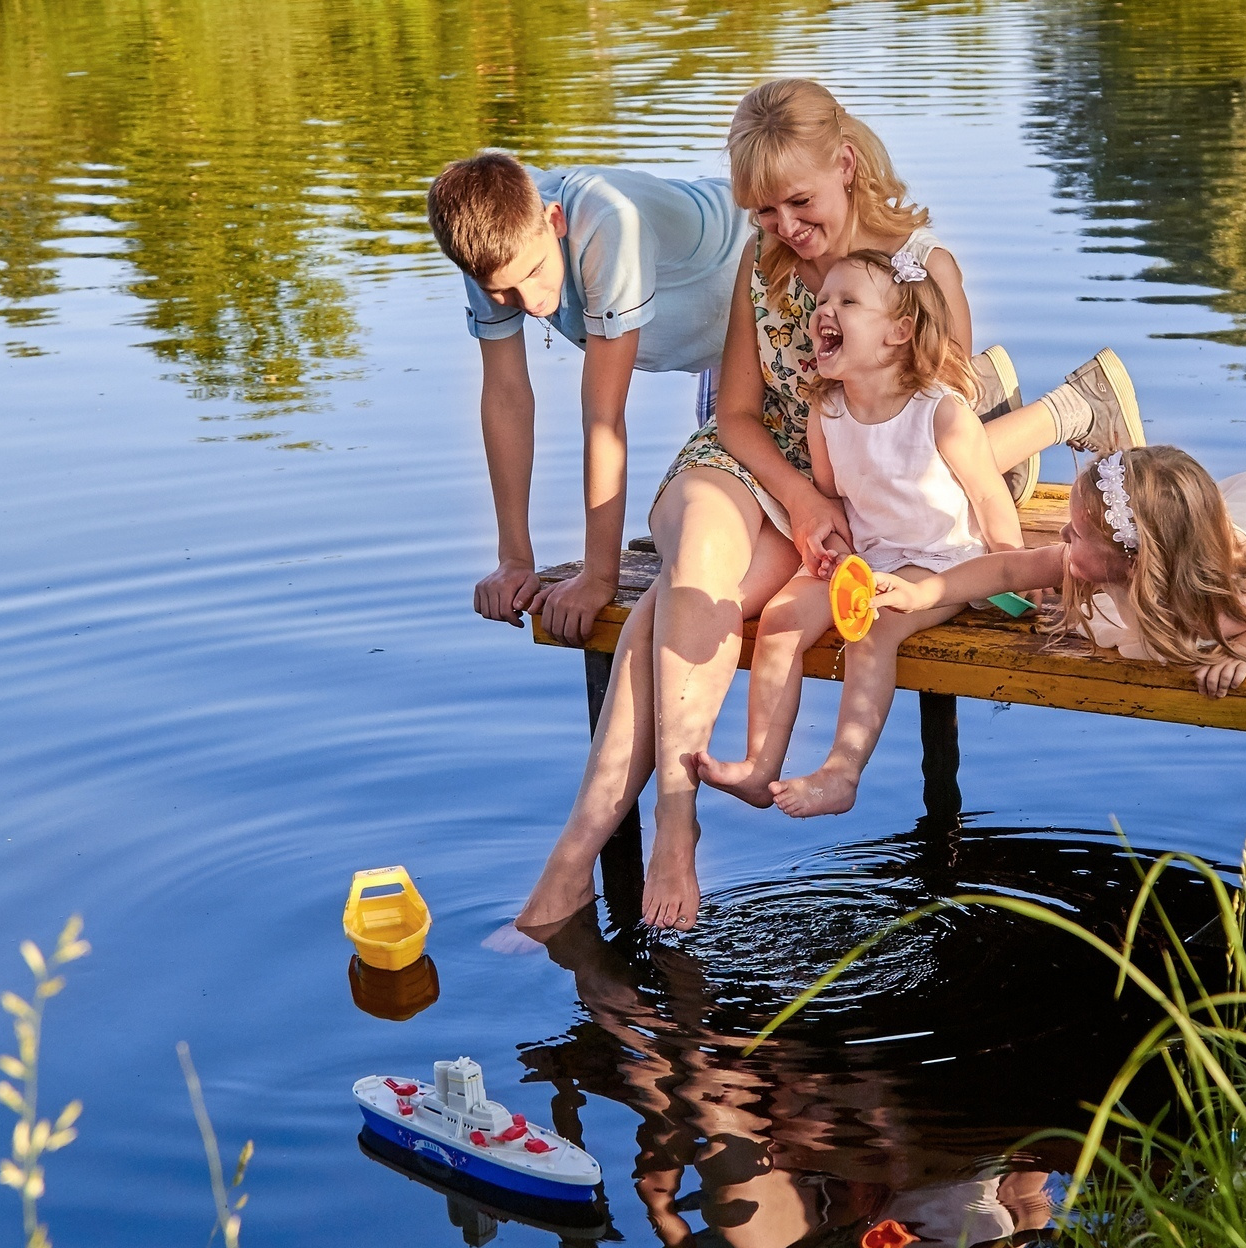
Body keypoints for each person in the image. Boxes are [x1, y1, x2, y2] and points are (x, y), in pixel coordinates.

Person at [515, 78, 1144, 932]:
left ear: (845, 164)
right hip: (768, 460)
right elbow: (737, 415)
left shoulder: (919, 272)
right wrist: (803, 497)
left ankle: (576, 863)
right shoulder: (762, 262)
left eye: (798, 202)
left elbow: (935, 436)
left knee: (667, 608)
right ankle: (671, 818)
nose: (783, 225)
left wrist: (977, 549)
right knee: (694, 561)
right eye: (763, 210)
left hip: (864, 485)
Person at [696, 248, 1021, 818]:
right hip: (869, 557)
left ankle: (842, 772)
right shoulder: (827, 412)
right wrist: (833, 551)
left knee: (875, 629)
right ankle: (759, 765)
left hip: (939, 561)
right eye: (823, 299)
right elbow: (836, 496)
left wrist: (1012, 564)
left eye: (847, 301)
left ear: (899, 332)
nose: (825, 309)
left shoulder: (941, 413)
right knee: (779, 620)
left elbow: (991, 496)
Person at [427, 152, 745, 646]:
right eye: (504, 291)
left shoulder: (607, 222)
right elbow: (507, 397)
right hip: (716, 350)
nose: (531, 302)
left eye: (535, 272)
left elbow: (604, 418)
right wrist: (514, 560)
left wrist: (599, 577)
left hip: (771, 282)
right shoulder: (488, 244)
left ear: (554, 221)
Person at [871, 444, 1246, 697]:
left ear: (1133, 559)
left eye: (1079, 532)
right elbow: (1003, 573)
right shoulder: (1107, 558)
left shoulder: (1233, 601)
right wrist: (921, 595)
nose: (1062, 536)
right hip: (1222, 512)